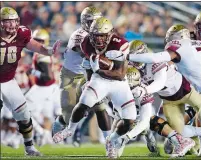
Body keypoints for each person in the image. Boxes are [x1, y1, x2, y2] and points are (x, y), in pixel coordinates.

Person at [106, 24, 201, 149]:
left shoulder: (155, 58)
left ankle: (200, 128)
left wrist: (143, 88)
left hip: (186, 90)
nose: (135, 62)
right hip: (169, 99)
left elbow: (159, 81)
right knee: (177, 131)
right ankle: (198, 134)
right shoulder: (196, 45)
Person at [53, 17, 137, 159]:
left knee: (129, 121)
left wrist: (99, 69)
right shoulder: (86, 43)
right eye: (96, 35)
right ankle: (70, 130)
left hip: (118, 83)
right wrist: (91, 77)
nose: (98, 40)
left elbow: (120, 74)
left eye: (102, 36)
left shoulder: (120, 44)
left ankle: (111, 140)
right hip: (99, 79)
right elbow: (90, 65)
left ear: (110, 34)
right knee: (84, 102)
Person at [0, 7, 60, 156]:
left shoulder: (22, 33)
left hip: (8, 80)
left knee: (25, 116)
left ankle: (29, 148)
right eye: (8, 21)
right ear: (1, 23)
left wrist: (48, 51)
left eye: (14, 21)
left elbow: (33, 45)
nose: (12, 25)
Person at [52, 7, 112, 144]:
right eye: (92, 22)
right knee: (70, 114)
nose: (95, 25)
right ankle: (60, 122)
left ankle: (109, 141)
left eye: (97, 21)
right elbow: (88, 54)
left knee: (100, 106)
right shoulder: (79, 35)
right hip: (72, 76)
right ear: (85, 22)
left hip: (87, 76)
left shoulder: (99, 35)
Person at [25, 28, 61, 146]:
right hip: (47, 88)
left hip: (43, 88)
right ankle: (46, 136)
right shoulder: (43, 52)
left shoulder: (41, 54)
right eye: (35, 40)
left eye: (39, 40)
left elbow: (48, 76)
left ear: (45, 41)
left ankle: (41, 133)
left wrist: (33, 72)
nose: (36, 42)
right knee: (46, 115)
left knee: (22, 111)